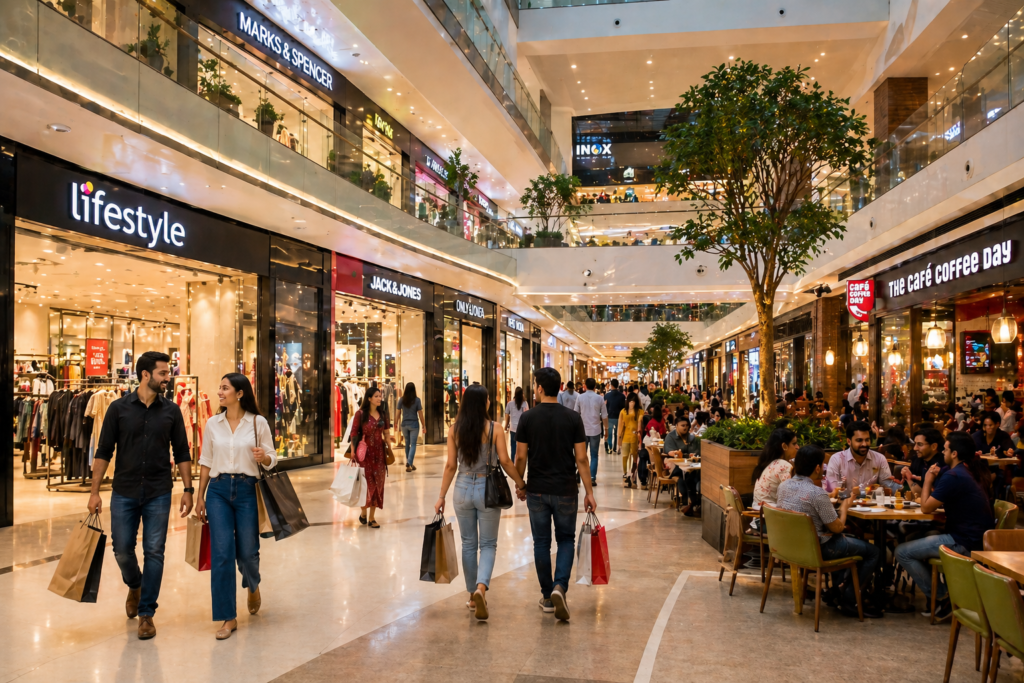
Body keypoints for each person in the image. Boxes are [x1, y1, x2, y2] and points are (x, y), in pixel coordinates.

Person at [88, 351, 193, 640]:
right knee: (121, 549)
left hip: (159, 491)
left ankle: (147, 613)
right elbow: (104, 452)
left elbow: (182, 452)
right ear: (145, 374)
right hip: (124, 490)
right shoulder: (117, 409)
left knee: (154, 552)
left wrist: (188, 489)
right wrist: (94, 492)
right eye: (162, 373)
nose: (167, 378)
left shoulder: (171, 411)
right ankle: (135, 584)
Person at [194, 373, 276, 640]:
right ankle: (228, 617)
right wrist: (200, 496)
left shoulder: (257, 423)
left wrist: (264, 457)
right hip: (218, 491)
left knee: (249, 553)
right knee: (222, 553)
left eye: (225, 388)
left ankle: (253, 584)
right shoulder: (212, 424)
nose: (219, 392)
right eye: (219, 387)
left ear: (239, 393)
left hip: (246, 490)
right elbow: (206, 460)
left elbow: (272, 458)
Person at [435, 385, 526, 621]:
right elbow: (505, 461)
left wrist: (441, 496)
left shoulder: (454, 429)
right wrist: (521, 483)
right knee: (487, 544)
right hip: (487, 489)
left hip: (462, 488)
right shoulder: (495, 428)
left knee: (468, 544)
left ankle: (471, 596)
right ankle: (481, 588)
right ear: (485, 403)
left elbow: (451, 466)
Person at [515, 367, 597, 622]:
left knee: (541, 543)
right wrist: (589, 492)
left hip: (537, 490)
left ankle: (548, 596)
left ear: (539, 388)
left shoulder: (527, 418)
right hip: (565, 491)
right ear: (560, 387)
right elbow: (582, 459)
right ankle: (560, 586)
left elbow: (520, 456)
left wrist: (520, 484)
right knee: (565, 540)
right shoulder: (573, 418)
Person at [894, 433, 995, 619]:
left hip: (964, 541)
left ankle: (943, 597)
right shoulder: (969, 470)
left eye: (946, 449)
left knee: (902, 551)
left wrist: (928, 480)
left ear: (954, 453)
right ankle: (941, 594)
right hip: (978, 537)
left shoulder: (954, 475)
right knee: (912, 538)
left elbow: (925, 507)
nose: (943, 452)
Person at [776, 445, 882, 619]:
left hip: (791, 547)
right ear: (818, 468)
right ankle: (850, 599)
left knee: (851, 540)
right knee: (872, 551)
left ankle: (837, 590)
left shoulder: (784, 486)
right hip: (818, 549)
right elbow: (838, 527)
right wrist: (845, 507)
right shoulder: (817, 493)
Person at [350, 386, 392, 528]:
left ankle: (372, 517)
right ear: (369, 398)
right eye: (376, 396)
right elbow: (354, 434)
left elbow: (386, 433)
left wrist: (389, 448)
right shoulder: (360, 414)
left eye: (380, 396)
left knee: (378, 484)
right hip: (364, 454)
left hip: (379, 454)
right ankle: (363, 512)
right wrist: (352, 452)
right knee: (365, 485)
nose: (379, 398)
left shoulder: (383, 414)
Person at [825, 421, 899, 493]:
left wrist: (900, 485)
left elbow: (888, 487)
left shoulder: (879, 459)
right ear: (849, 441)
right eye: (859, 440)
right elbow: (832, 491)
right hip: (845, 504)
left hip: (872, 505)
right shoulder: (836, 460)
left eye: (867, 440)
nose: (864, 444)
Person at [664, 416, 702, 515]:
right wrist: (677, 453)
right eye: (682, 425)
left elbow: (697, 451)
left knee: (694, 475)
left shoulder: (691, 437)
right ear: (676, 426)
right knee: (686, 475)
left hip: (690, 465)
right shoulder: (670, 437)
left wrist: (693, 454)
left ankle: (693, 502)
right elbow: (670, 452)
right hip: (676, 465)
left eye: (686, 425)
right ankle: (692, 501)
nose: (685, 428)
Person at [574, 378, 608, 486]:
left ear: (585, 386)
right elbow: (604, 416)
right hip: (595, 430)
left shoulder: (580, 397)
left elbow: (575, 413)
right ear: (595, 387)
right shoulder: (599, 398)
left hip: (582, 430)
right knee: (594, 455)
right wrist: (606, 429)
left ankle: (579, 474)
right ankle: (592, 477)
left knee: (581, 455)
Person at [752, 428, 797, 507]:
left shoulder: (768, 462)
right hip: (770, 517)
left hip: (760, 514)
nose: (797, 447)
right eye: (794, 443)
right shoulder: (784, 466)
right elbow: (792, 497)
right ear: (784, 446)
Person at [399, 382, 426, 472]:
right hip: (414, 424)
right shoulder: (417, 400)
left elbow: (397, 413)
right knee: (413, 444)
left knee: (407, 444)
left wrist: (395, 423)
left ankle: (409, 464)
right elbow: (420, 414)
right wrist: (424, 425)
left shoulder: (401, 400)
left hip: (404, 424)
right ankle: (409, 463)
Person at [618, 392, 642, 487]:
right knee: (625, 456)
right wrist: (618, 443)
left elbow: (641, 424)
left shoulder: (640, 412)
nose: (632, 403)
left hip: (636, 437)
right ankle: (625, 474)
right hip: (625, 437)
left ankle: (633, 474)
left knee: (635, 457)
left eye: (634, 401)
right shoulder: (623, 411)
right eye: (630, 401)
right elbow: (620, 427)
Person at [504, 387, 529, 463]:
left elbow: (507, 416)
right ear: (522, 394)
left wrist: (506, 426)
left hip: (513, 429)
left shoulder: (510, 404)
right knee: (522, 449)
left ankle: (513, 464)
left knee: (513, 448)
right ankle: (521, 464)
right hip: (522, 429)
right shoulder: (525, 403)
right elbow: (527, 416)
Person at [604, 379, 626, 455]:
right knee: (617, 433)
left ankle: (610, 447)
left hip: (609, 416)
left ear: (611, 385)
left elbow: (605, 407)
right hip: (619, 417)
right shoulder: (622, 396)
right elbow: (623, 407)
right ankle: (615, 448)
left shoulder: (607, 395)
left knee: (609, 433)